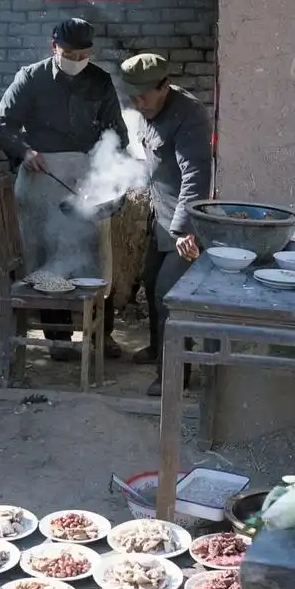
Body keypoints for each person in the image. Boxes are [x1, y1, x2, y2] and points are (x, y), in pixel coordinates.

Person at [0, 18, 129, 361]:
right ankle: (57, 340)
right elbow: (2, 122)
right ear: (54, 47)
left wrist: (105, 171)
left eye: (84, 53)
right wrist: (25, 151)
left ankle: (101, 336)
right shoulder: (31, 77)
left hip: (85, 179)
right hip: (41, 178)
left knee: (95, 256)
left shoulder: (99, 81)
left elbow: (117, 133)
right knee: (46, 256)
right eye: (70, 53)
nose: (77, 59)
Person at [120, 53, 213, 396]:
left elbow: (196, 175)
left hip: (186, 223)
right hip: (162, 216)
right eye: (133, 97)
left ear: (164, 86)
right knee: (150, 281)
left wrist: (185, 229)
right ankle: (159, 352)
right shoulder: (147, 110)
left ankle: (175, 374)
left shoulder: (189, 115)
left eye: (143, 96)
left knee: (168, 294)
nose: (138, 103)